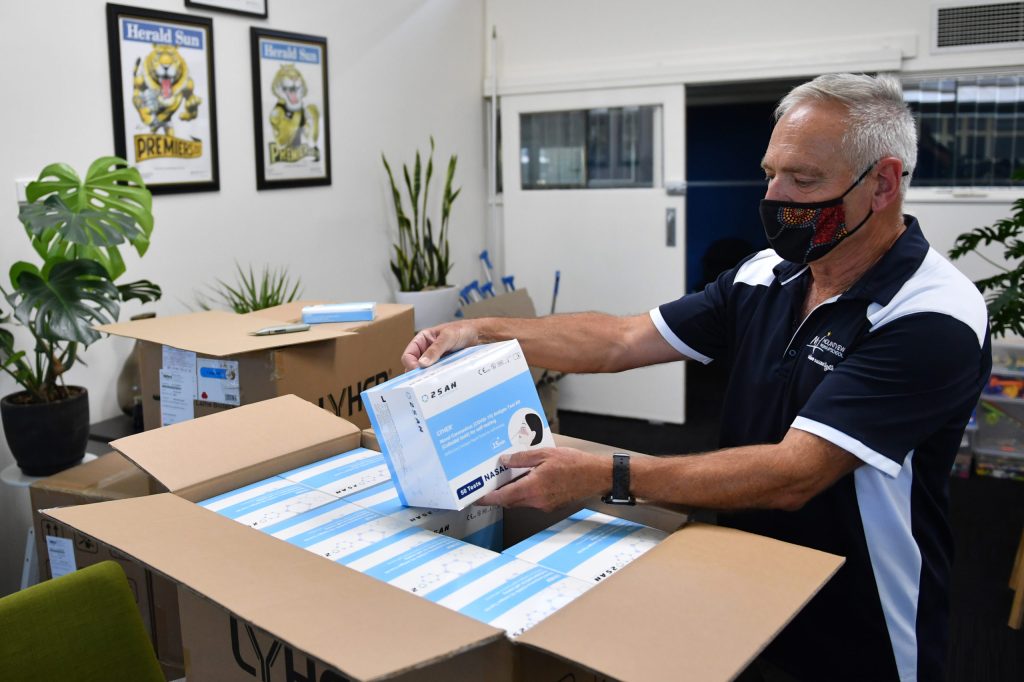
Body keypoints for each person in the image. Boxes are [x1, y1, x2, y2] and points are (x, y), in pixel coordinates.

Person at [401, 73, 991, 681]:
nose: (775, 195)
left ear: (884, 183)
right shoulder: (769, 274)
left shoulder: (931, 316)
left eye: (804, 180)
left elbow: (795, 474)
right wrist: (481, 331)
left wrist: (606, 476)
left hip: (860, 617)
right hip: (743, 574)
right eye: (770, 173)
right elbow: (623, 339)